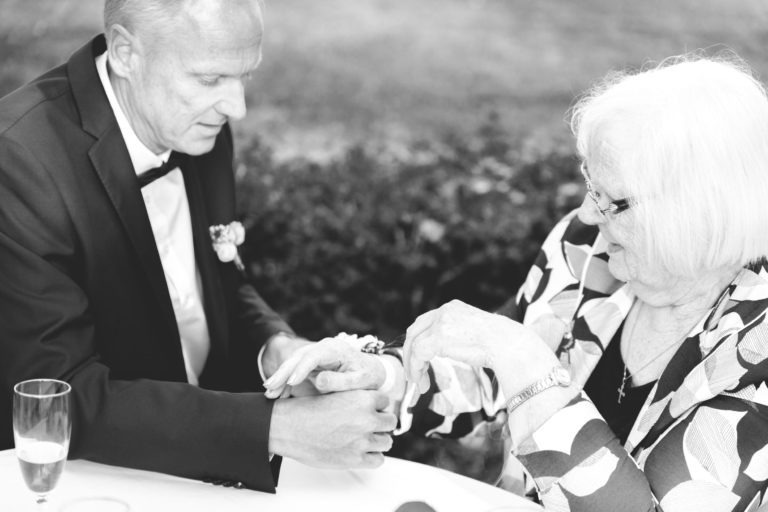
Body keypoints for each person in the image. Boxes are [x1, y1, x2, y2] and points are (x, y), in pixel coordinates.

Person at [265, 55, 768, 511]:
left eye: (611, 200)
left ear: (697, 215)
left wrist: (528, 364)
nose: (587, 214)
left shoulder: (756, 354)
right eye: (589, 184)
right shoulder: (585, 249)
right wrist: (382, 376)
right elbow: (486, 379)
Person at [0, 0, 397, 492]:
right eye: (210, 80)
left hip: (200, 476)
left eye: (243, 77)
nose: (237, 107)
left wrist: (277, 351)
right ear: (126, 53)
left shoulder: (197, 127)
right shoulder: (18, 162)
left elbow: (217, 289)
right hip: (77, 484)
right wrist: (273, 428)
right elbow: (60, 397)